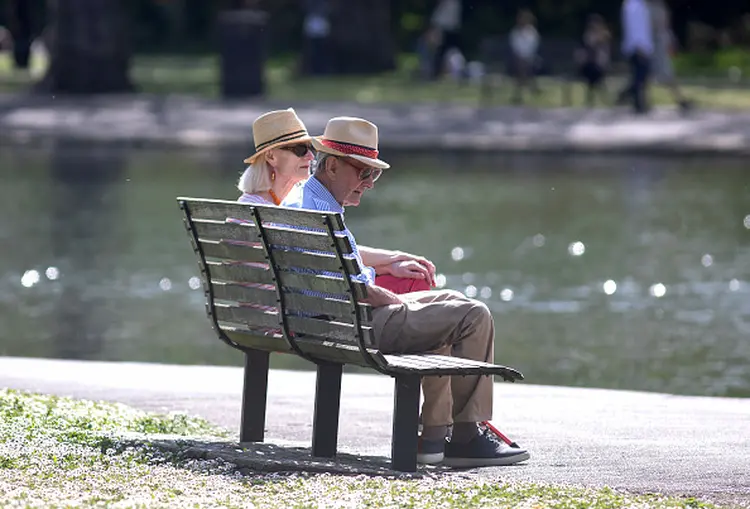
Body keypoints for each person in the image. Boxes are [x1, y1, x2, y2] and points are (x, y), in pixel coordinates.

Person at [282, 116, 530, 467]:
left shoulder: (303, 199)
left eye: (375, 175)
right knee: (474, 315)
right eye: (363, 172)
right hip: (352, 323)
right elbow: (351, 288)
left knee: (451, 303)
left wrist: (386, 271)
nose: (368, 183)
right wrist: (389, 296)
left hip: (331, 322)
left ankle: (433, 439)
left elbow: (334, 270)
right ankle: (464, 434)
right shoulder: (318, 213)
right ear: (333, 166)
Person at [238, 108, 432, 294]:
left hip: (274, 314)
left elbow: (331, 250)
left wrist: (391, 260)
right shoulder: (271, 214)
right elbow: (330, 261)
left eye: (310, 148)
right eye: (300, 149)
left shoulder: (266, 205)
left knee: (411, 277)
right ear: (271, 156)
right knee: (414, 283)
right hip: (286, 318)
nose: (311, 156)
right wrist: (385, 266)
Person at [648, 0, 693, 112]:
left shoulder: (658, 6)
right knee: (650, 75)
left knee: (666, 74)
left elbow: (665, 27)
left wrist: (671, 40)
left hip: (659, 44)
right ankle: (680, 100)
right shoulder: (648, 8)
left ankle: (680, 100)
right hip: (653, 45)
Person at [618, 0, 653, 114]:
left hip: (642, 46)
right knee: (640, 76)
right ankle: (630, 97)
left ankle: (638, 103)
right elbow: (634, 28)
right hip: (637, 46)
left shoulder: (640, 5)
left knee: (640, 76)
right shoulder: (632, 6)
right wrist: (639, 45)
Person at [575, 14, 611, 107]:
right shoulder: (588, 36)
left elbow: (605, 51)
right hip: (589, 65)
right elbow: (585, 49)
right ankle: (593, 99)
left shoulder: (603, 36)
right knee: (592, 73)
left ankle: (601, 99)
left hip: (599, 65)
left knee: (597, 73)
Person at [509, 9, 541, 104]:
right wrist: (520, 57)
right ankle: (532, 87)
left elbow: (533, 48)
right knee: (521, 65)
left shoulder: (532, 33)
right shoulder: (515, 33)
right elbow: (514, 48)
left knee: (524, 66)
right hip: (518, 59)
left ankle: (518, 93)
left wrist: (525, 57)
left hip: (530, 59)